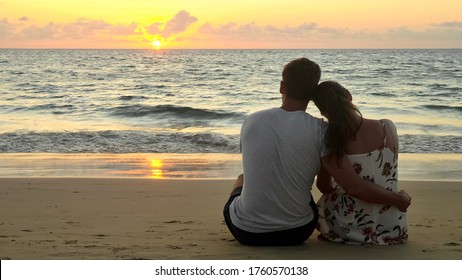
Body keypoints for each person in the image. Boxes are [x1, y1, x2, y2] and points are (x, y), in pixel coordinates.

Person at [223, 58, 411, 246]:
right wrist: (397, 199)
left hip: (245, 232)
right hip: (297, 232)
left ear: (282, 87)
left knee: (243, 177)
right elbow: (352, 186)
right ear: (312, 94)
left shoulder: (251, 121)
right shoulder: (321, 131)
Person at [313, 81, 409, 245]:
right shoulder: (387, 126)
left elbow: (326, 186)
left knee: (323, 202)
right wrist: (397, 199)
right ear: (349, 96)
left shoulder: (330, 139)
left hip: (355, 230)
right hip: (393, 227)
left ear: (323, 112)